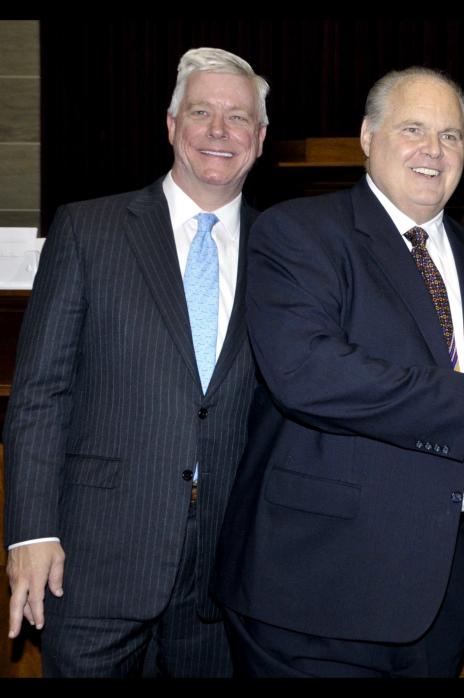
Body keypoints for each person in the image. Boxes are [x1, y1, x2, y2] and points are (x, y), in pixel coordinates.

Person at [213, 66, 464, 678]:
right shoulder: (298, 233)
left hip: (441, 602)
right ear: (368, 136)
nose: (434, 150)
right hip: (318, 594)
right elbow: (307, 373)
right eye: (414, 129)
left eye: (452, 136)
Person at [3, 47, 268, 677]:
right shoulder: (89, 229)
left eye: (237, 118)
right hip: (94, 564)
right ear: (171, 125)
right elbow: (41, 392)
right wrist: (29, 533)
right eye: (201, 112)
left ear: (259, 138)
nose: (218, 130)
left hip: (224, 577)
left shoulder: (286, 250)